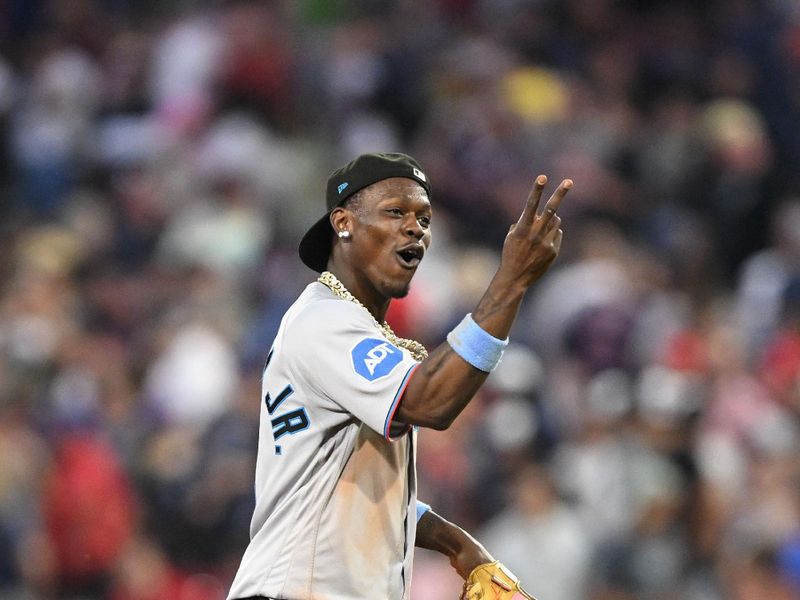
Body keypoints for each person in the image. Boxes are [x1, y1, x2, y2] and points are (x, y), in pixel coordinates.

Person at [227, 152, 571, 600]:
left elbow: (362, 497)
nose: (416, 228)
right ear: (343, 223)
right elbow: (430, 402)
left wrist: (457, 544)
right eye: (395, 212)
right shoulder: (324, 321)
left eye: (424, 218)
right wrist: (511, 281)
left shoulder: (345, 328)